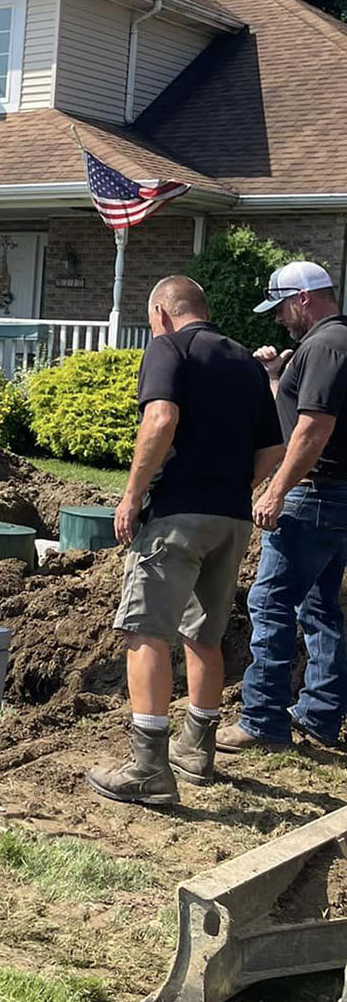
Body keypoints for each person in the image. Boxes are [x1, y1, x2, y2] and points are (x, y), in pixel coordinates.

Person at [85, 276, 282, 808]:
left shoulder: (168, 348)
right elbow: (274, 446)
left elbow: (161, 418)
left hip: (176, 514)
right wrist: (239, 487)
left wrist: (131, 494)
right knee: (205, 634)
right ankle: (197, 750)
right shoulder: (244, 360)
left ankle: (148, 767)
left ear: (161, 313)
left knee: (144, 629)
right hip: (232, 518)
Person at [219, 261, 347, 753]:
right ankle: (319, 715)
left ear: (304, 299)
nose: (278, 319)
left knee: (270, 602)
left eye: (282, 307)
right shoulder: (332, 344)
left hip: (314, 494)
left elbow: (314, 429)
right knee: (321, 608)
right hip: (334, 497)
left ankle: (262, 720)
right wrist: (277, 378)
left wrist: (275, 491)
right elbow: (297, 418)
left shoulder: (326, 345)